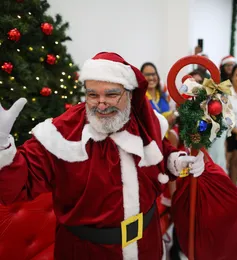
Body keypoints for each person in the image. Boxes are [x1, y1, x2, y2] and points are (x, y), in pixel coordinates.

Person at [0, 52, 205, 260]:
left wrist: (177, 161)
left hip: (147, 245)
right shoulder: (61, 133)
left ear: (129, 94)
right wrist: (2, 148)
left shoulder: (143, 120)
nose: (101, 103)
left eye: (111, 94)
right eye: (92, 95)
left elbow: (161, 150)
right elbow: (18, 185)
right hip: (88, 252)